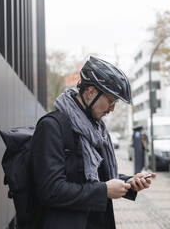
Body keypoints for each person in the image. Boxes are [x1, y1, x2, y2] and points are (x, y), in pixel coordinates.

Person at [31, 56, 156, 229]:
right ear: (90, 92)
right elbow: (50, 191)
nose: (112, 109)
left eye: (115, 103)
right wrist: (104, 191)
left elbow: (95, 177)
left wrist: (130, 182)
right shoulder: (52, 126)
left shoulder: (96, 130)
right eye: (111, 101)